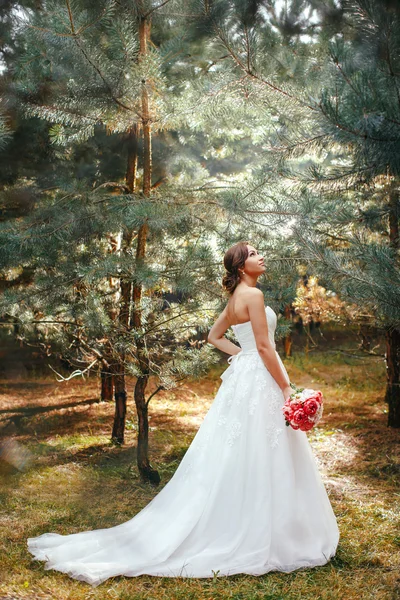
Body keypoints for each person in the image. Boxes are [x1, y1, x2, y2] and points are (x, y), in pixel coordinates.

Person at [27, 241, 340, 587]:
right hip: (261, 376)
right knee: (263, 445)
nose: (260, 256)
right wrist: (285, 387)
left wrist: (242, 355)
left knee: (241, 446)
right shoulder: (252, 295)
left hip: (245, 377)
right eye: (252, 254)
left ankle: (251, 517)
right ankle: (272, 527)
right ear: (240, 266)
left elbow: (213, 336)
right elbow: (265, 347)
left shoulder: (236, 297)